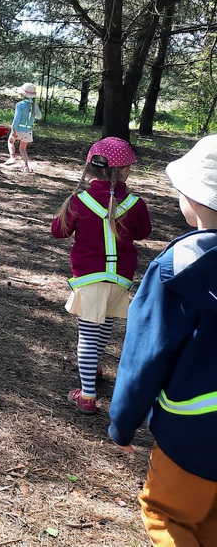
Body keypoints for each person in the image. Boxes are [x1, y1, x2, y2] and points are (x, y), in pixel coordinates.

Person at [109, 135, 217, 545]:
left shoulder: (179, 268)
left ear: (194, 197)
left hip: (195, 432)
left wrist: (122, 424)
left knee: (168, 516)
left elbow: (146, 356)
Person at [51, 137, 152, 415]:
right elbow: (143, 232)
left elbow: (58, 231)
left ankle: (87, 395)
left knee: (87, 333)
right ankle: (92, 365)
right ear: (124, 171)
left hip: (90, 277)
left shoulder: (79, 201)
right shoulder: (135, 203)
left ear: (90, 169)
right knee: (105, 324)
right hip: (120, 277)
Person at [5, 82, 42, 172]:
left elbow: (16, 118)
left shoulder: (20, 104)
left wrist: (13, 129)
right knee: (23, 149)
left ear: (23, 94)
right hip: (28, 131)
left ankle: (12, 157)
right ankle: (26, 166)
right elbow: (39, 116)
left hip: (18, 129)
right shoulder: (34, 105)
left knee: (10, 142)